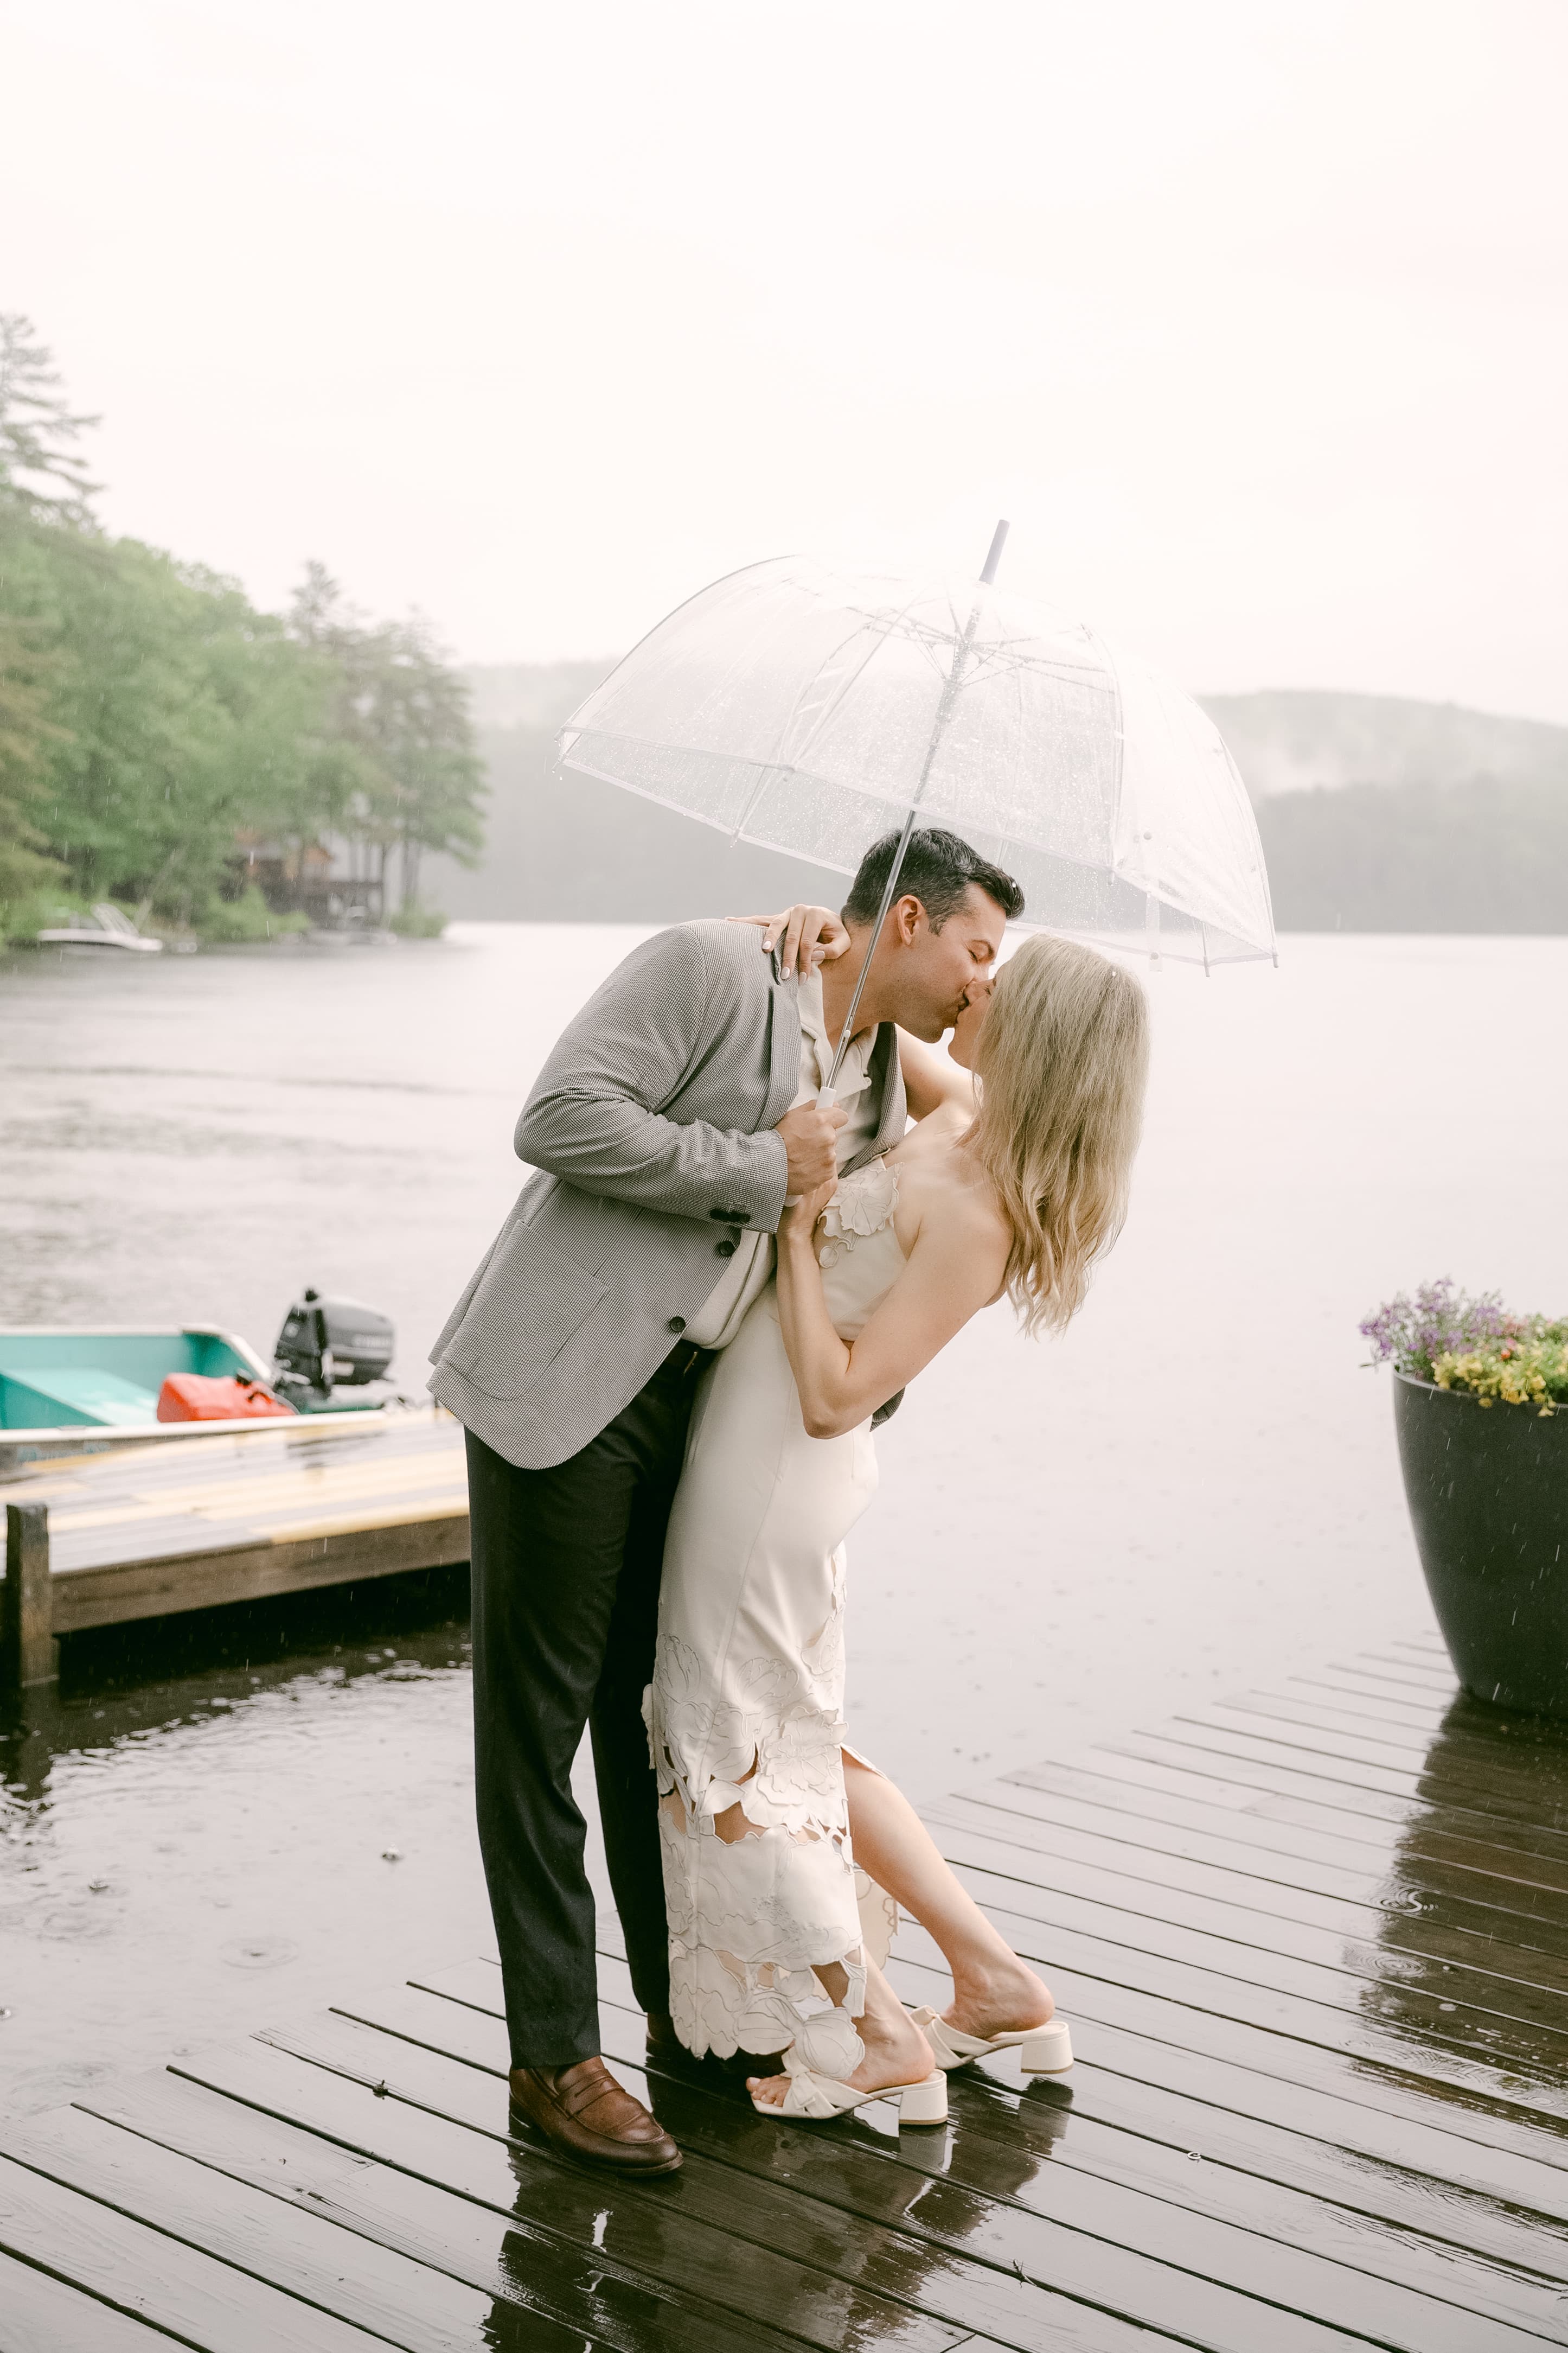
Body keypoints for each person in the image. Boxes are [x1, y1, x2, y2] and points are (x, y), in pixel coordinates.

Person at [427, 826, 1022, 2175]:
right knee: (537, 1728)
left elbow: (950, 1159)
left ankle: (682, 2019)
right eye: (976, 952)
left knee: (652, 1723)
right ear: (910, 917)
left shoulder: (881, 1071)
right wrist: (763, 1166)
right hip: (568, 1381)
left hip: (695, 1421)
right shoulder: (708, 963)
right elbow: (561, 1119)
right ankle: (553, 2057)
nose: (983, 982)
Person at [646, 913, 1149, 2124]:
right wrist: (812, 934)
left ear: (1044, 1035)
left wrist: (799, 1231)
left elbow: (835, 1397)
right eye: (984, 961)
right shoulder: (967, 1110)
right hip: (748, 1448)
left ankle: (880, 2034)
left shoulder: (983, 1216)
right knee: (796, 1740)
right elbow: (862, 1011)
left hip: (777, 1468)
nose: (978, 983)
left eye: (1002, 983)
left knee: (726, 1742)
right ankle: (992, 1982)